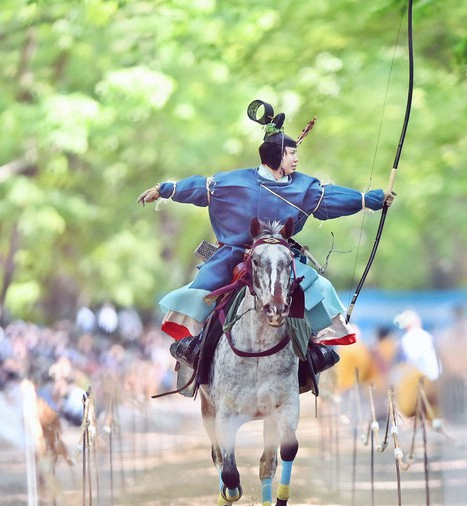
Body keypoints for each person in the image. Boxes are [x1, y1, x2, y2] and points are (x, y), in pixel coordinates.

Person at [138, 100, 395, 383]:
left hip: (282, 258)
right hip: (237, 255)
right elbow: (201, 188)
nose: (296, 159)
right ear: (276, 155)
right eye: (291, 153)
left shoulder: (303, 187)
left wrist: (371, 199)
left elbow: (333, 200)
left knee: (319, 286)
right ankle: (197, 346)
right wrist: (165, 190)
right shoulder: (234, 182)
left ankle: (316, 346)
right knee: (202, 293)